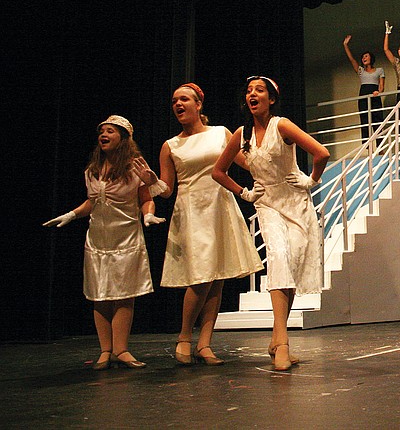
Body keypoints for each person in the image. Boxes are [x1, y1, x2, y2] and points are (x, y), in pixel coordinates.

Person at [136, 83, 263, 366]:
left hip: (220, 205)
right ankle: (184, 337)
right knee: (202, 277)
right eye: (174, 101)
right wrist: (152, 183)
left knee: (217, 277)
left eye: (184, 99)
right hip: (191, 211)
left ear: (198, 104)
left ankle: (204, 343)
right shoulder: (170, 145)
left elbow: (247, 163)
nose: (178, 104)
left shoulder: (220, 133)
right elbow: (167, 190)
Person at [213, 76, 330, 371]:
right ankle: (283, 344)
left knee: (290, 265)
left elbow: (322, 153)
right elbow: (218, 171)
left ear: (272, 98)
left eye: (259, 90)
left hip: (296, 204)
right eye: (249, 90)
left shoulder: (282, 126)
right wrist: (245, 192)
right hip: (267, 204)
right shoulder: (242, 135)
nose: (252, 94)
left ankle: (277, 338)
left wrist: (311, 180)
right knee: (278, 257)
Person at [44, 115, 162, 370]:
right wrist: (72, 214)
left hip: (126, 237)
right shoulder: (93, 170)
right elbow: (93, 202)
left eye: (110, 131)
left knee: (124, 295)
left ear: (123, 137)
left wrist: (149, 215)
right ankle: (105, 350)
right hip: (98, 239)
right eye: (101, 131)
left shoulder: (134, 168)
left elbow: (146, 198)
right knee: (99, 294)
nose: (103, 135)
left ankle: (121, 350)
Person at [343, 35, 385, 142]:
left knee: (377, 119)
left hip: (374, 95)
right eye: (363, 57)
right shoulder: (361, 70)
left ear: (371, 58)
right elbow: (352, 59)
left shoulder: (379, 70)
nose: (364, 58)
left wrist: (378, 92)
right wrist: (345, 45)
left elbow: (381, 86)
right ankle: (366, 146)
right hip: (363, 96)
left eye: (366, 56)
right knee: (365, 121)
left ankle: (380, 146)